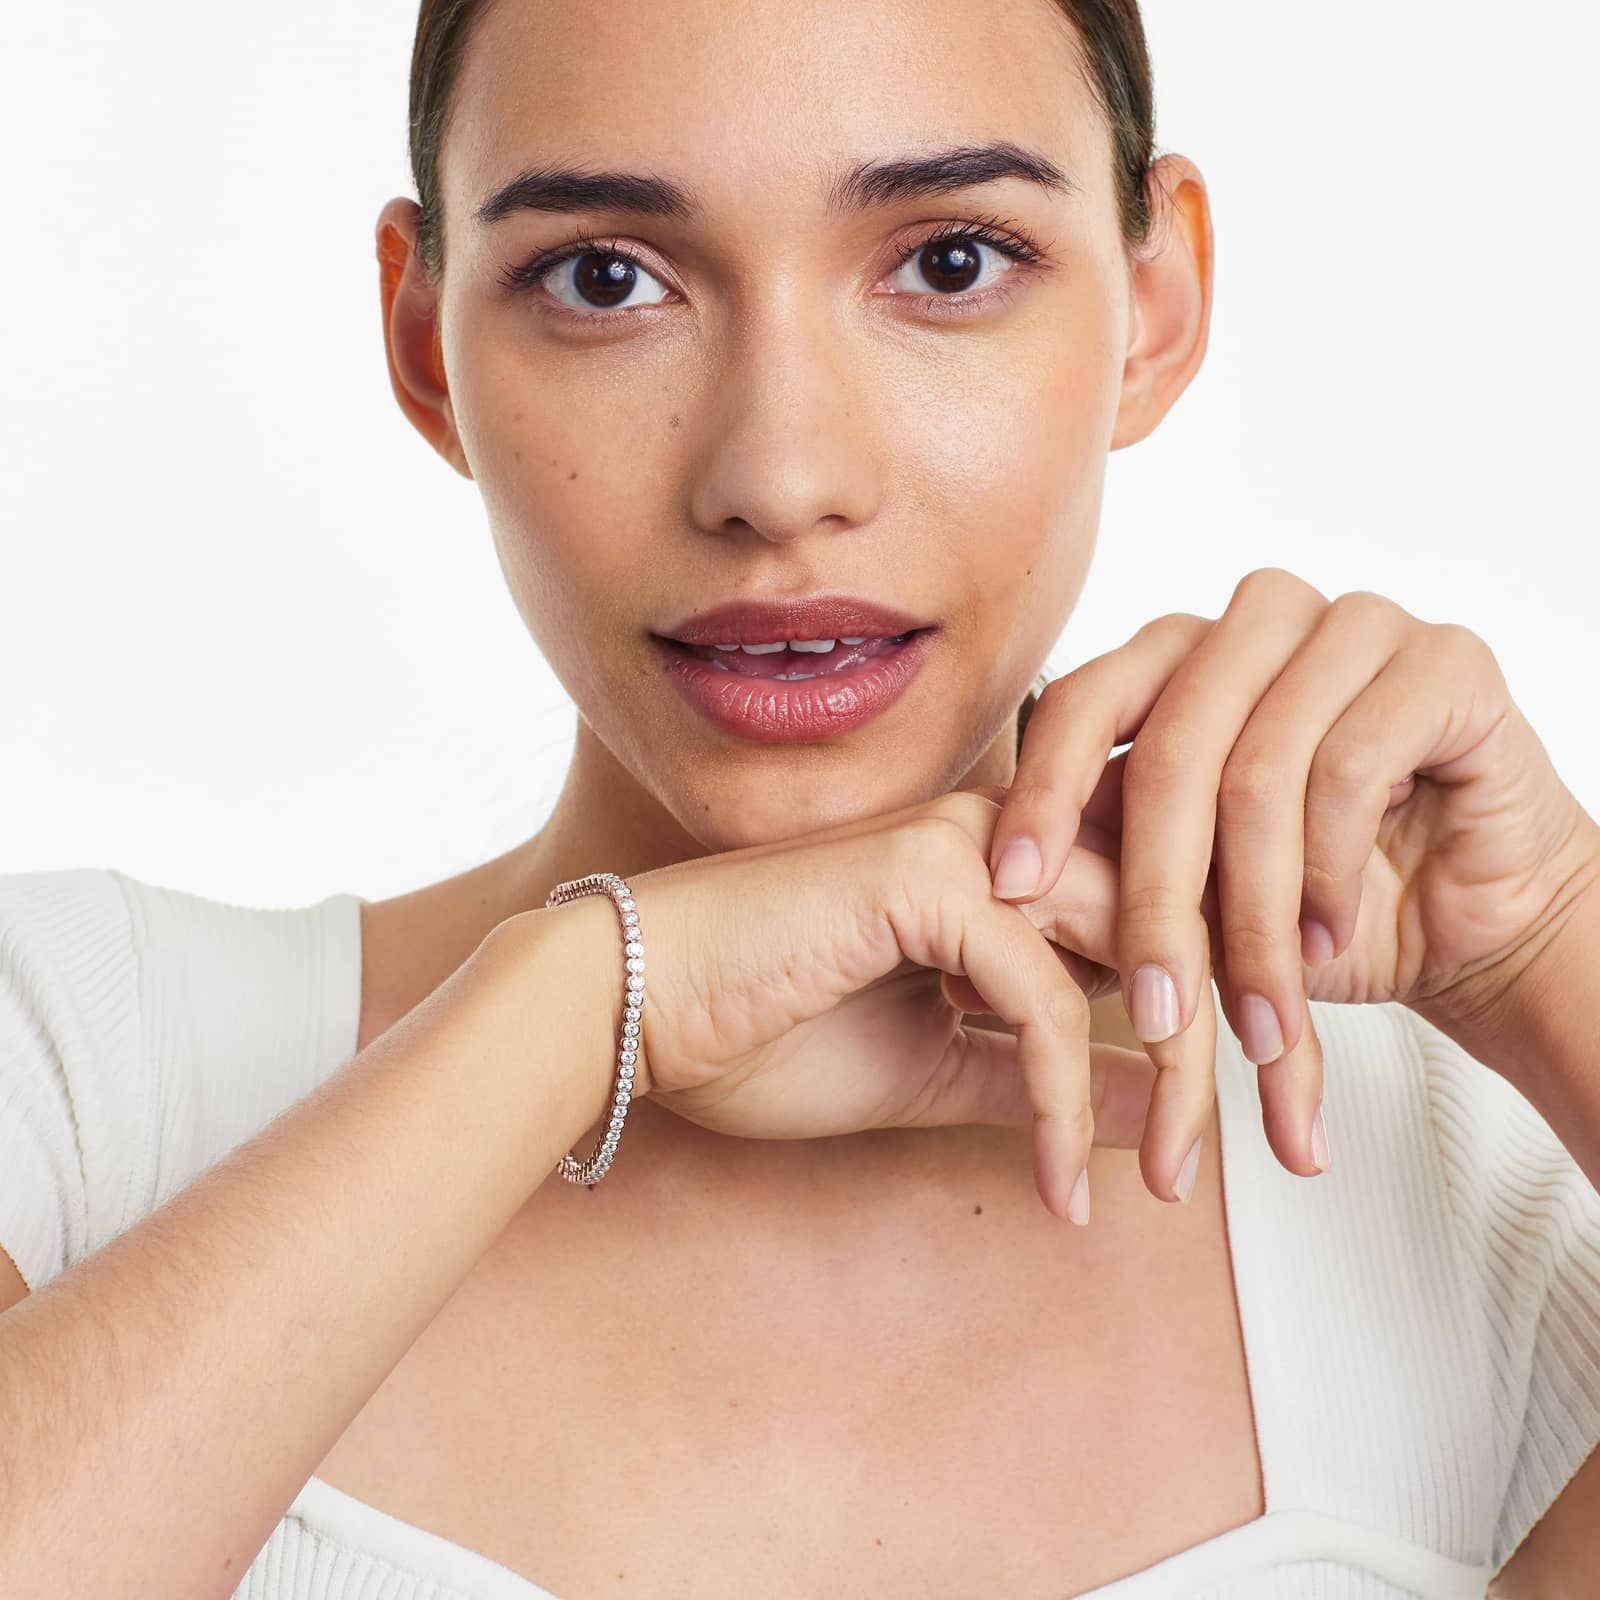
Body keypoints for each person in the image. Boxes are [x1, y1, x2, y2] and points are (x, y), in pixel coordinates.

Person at [2, 0, 1598, 1595]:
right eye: (604, 278)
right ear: (427, 349)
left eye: (950, 263)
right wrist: (578, 1003)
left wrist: (1551, 949)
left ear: (1155, 308)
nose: (776, 472)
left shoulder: (1489, 1214)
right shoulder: (73, 1076)